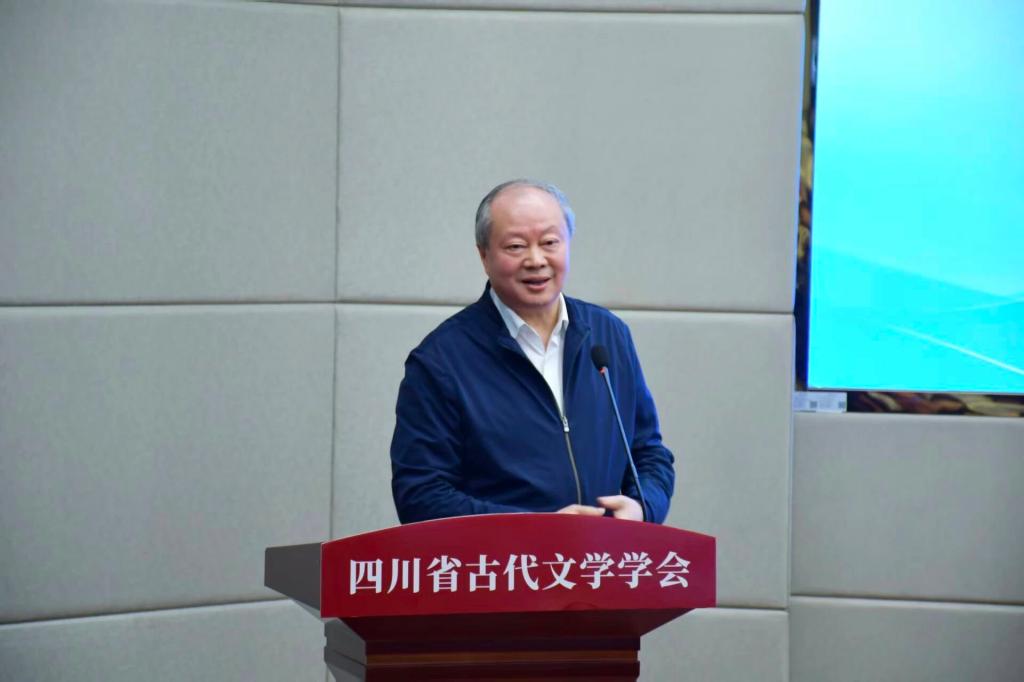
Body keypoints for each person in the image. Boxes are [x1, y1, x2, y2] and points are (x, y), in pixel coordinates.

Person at [390, 179, 675, 524]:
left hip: (603, 555)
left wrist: (642, 508)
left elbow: (648, 454)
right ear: (484, 256)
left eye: (550, 242)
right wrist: (537, 529)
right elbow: (421, 495)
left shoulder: (608, 335)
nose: (536, 260)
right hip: (503, 558)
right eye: (516, 246)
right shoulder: (441, 361)